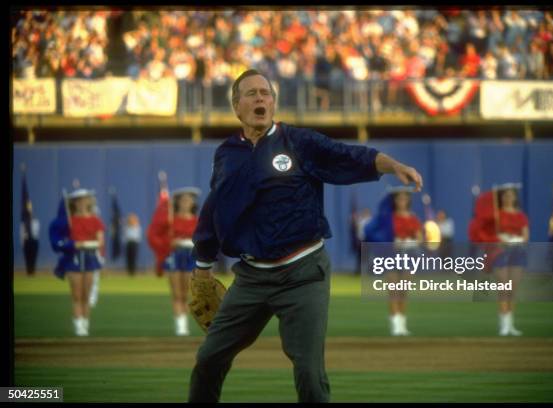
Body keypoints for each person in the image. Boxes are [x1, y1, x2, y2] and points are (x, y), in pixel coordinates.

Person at [188, 69, 422, 403]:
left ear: (274, 102)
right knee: (208, 359)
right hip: (251, 278)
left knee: (309, 374)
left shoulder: (297, 142)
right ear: (237, 107)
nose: (260, 99)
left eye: (266, 93)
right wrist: (202, 264)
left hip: (302, 274)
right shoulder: (227, 153)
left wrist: (390, 164)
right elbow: (215, 209)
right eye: (251, 93)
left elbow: (347, 155)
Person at [364, 187, 423, 336]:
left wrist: (410, 242)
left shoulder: (413, 218)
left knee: (403, 290)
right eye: (399, 198)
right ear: (394, 201)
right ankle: (396, 324)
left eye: (405, 198)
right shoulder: (387, 218)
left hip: (409, 256)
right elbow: (376, 232)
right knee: (393, 289)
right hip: (390, 255)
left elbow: (419, 237)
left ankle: (402, 323)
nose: (402, 201)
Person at [49, 188, 105, 337]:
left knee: (86, 295)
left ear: (90, 201)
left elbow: (100, 240)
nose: (82, 202)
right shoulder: (68, 221)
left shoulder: (95, 220)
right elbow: (61, 239)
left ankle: (85, 324)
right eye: (79, 200)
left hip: (90, 257)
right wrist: (73, 244)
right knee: (76, 295)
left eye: (85, 199)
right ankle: (78, 326)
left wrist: (92, 245)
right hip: (73, 258)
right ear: (74, 203)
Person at [492, 185, 529, 336]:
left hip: (517, 251)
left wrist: (517, 239)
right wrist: (503, 238)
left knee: (512, 289)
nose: (507, 198)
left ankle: (510, 324)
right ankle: (503, 325)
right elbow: (492, 233)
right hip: (501, 251)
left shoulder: (521, 216)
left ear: (515, 197)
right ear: (501, 198)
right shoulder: (497, 215)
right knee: (503, 287)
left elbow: (526, 235)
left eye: (510, 195)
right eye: (505, 195)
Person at [165, 187, 201, 336]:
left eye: (189, 200)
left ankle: (184, 323)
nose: (187, 203)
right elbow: (166, 240)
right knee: (176, 293)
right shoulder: (171, 220)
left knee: (186, 293)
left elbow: (201, 240)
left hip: (190, 256)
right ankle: (179, 325)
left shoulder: (197, 221)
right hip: (175, 256)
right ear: (178, 202)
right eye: (184, 200)